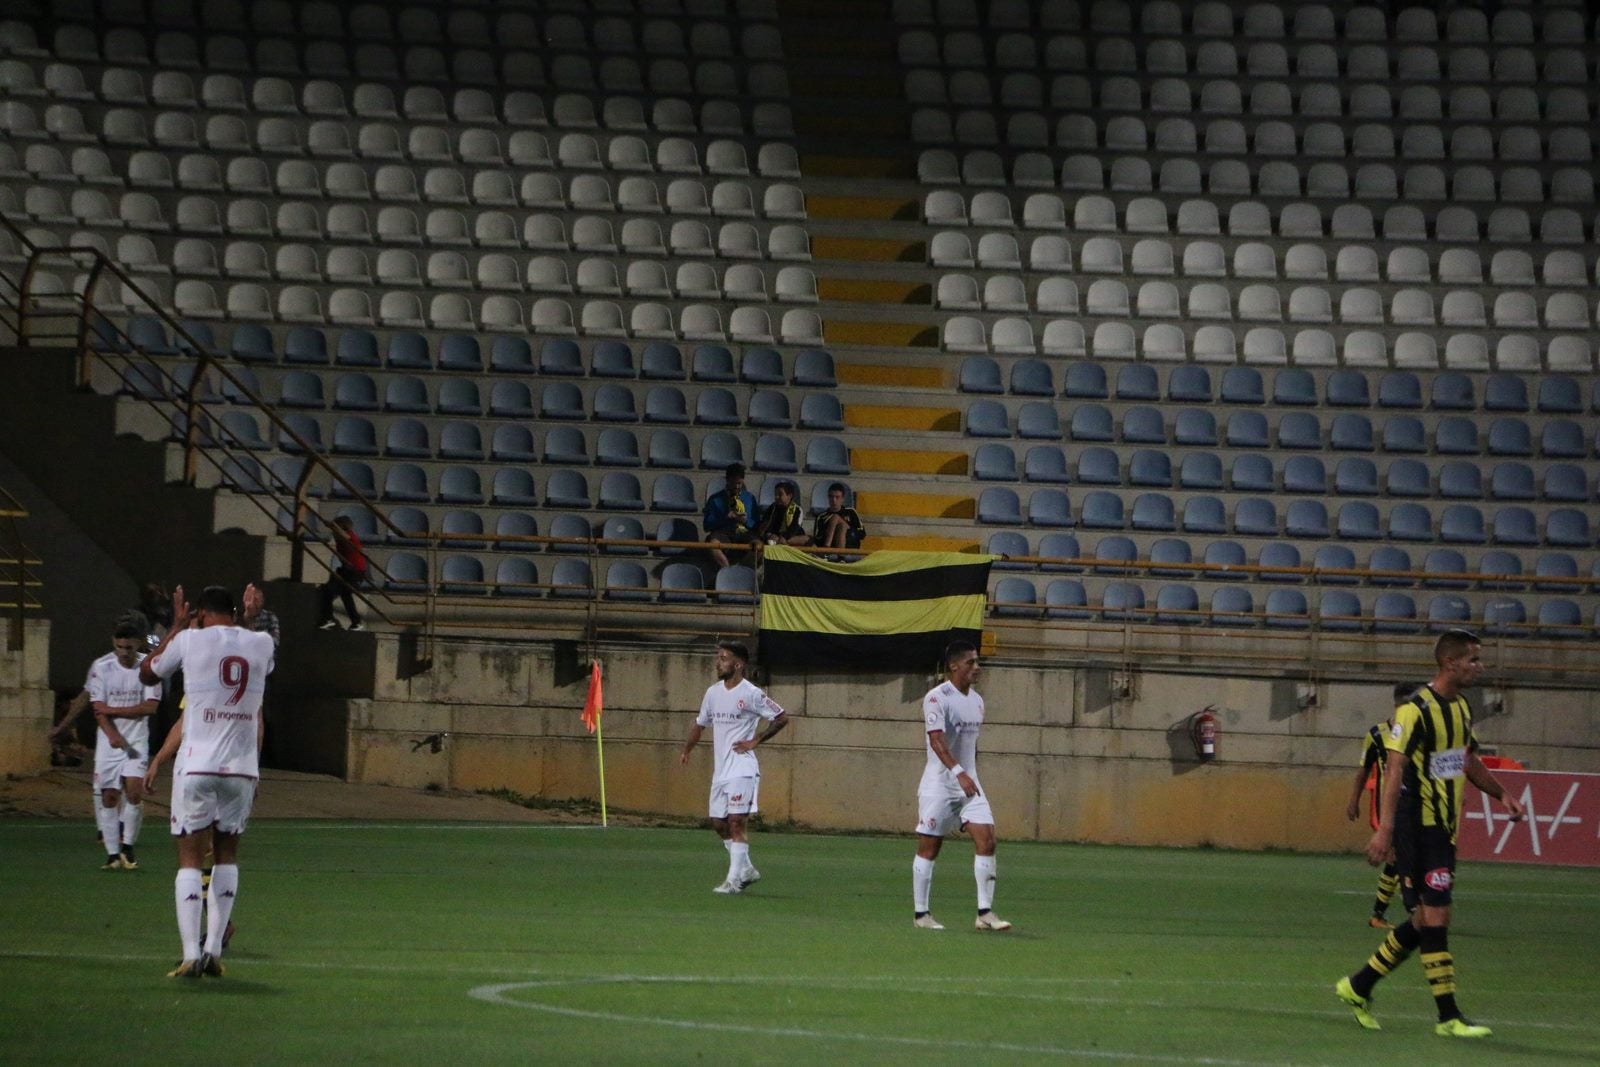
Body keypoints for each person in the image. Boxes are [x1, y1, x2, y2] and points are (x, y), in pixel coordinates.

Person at [1334, 629, 1526, 1038]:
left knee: (1426, 918)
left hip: (1443, 828)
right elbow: (1395, 773)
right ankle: (1448, 1016)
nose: (1480, 666)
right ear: (1450, 663)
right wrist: (1384, 832)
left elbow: (1466, 761)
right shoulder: (1415, 710)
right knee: (1436, 916)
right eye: (1473, 659)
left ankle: (1358, 985)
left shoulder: (1461, 708)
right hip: (1414, 827)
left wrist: (1501, 794)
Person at [142, 585, 276, 979]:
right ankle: (214, 949)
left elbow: (147, 671)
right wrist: (250, 620)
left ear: (199, 613)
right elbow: (249, 657)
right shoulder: (263, 642)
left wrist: (176, 626)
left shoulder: (188, 639)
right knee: (227, 855)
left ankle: (189, 954)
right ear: (236, 611)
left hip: (197, 765)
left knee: (188, 858)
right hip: (241, 768)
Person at [912, 641, 1011, 932]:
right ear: (954, 666)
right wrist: (958, 773)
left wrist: (970, 774)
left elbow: (970, 746)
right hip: (940, 785)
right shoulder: (936, 697)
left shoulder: (977, 701)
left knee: (988, 840)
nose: (976, 668)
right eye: (971, 662)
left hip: (969, 784)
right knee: (930, 848)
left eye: (977, 662)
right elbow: (936, 741)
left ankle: (985, 913)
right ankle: (921, 915)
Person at [678, 641, 788, 894]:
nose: (718, 662)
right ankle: (746, 868)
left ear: (738, 664)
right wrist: (687, 749)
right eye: (718, 657)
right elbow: (700, 723)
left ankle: (733, 881)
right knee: (719, 823)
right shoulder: (713, 693)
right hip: (721, 771)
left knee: (737, 822)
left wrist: (756, 740)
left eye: (723, 658)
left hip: (742, 768)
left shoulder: (752, 693)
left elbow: (782, 717)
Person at [76, 621, 163, 870]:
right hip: (109, 743)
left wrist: (112, 710)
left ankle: (129, 847)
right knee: (110, 797)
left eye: (128, 647)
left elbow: (150, 707)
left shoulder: (148, 668)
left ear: (138, 644)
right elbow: (97, 709)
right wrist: (111, 735)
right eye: (119, 647)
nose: (123, 652)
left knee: (134, 793)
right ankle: (113, 855)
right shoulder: (102, 667)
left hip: (135, 742)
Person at [1345, 682, 1419, 930]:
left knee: (1402, 858)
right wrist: (1354, 800)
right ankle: (1395, 912)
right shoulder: (1377, 734)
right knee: (1396, 856)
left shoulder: (1417, 732)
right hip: (1385, 805)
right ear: (1397, 704)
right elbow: (1363, 770)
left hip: (1413, 804)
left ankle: (1386, 913)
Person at [702, 462, 758, 569]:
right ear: (727, 480)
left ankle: (741, 570)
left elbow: (756, 523)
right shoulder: (715, 499)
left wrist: (746, 521)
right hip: (723, 533)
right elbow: (707, 525)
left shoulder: (750, 498)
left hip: (744, 532)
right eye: (734, 483)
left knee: (759, 547)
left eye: (740, 484)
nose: (737, 487)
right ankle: (727, 571)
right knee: (712, 545)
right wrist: (725, 518)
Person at [316, 516, 367, 631]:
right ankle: (330, 618)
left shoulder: (350, 536)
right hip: (346, 569)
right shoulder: (339, 539)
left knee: (342, 593)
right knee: (331, 591)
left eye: (336, 528)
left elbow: (345, 536)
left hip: (355, 571)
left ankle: (355, 621)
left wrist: (333, 526)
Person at [812, 482, 865, 559]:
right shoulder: (821, 516)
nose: (834, 500)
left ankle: (827, 549)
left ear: (842, 499)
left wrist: (848, 529)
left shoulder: (851, 512)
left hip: (849, 546)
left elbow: (862, 533)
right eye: (831, 497)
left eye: (837, 497)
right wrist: (831, 529)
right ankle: (840, 557)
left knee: (837, 519)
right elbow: (817, 537)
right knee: (840, 526)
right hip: (833, 547)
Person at [752, 479, 811, 547]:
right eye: (775, 494)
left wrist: (783, 537)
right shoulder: (772, 508)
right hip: (774, 538)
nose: (776, 497)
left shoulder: (797, 509)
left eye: (780, 494)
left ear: (789, 496)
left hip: (790, 537)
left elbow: (795, 527)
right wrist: (770, 535)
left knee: (808, 539)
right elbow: (765, 524)